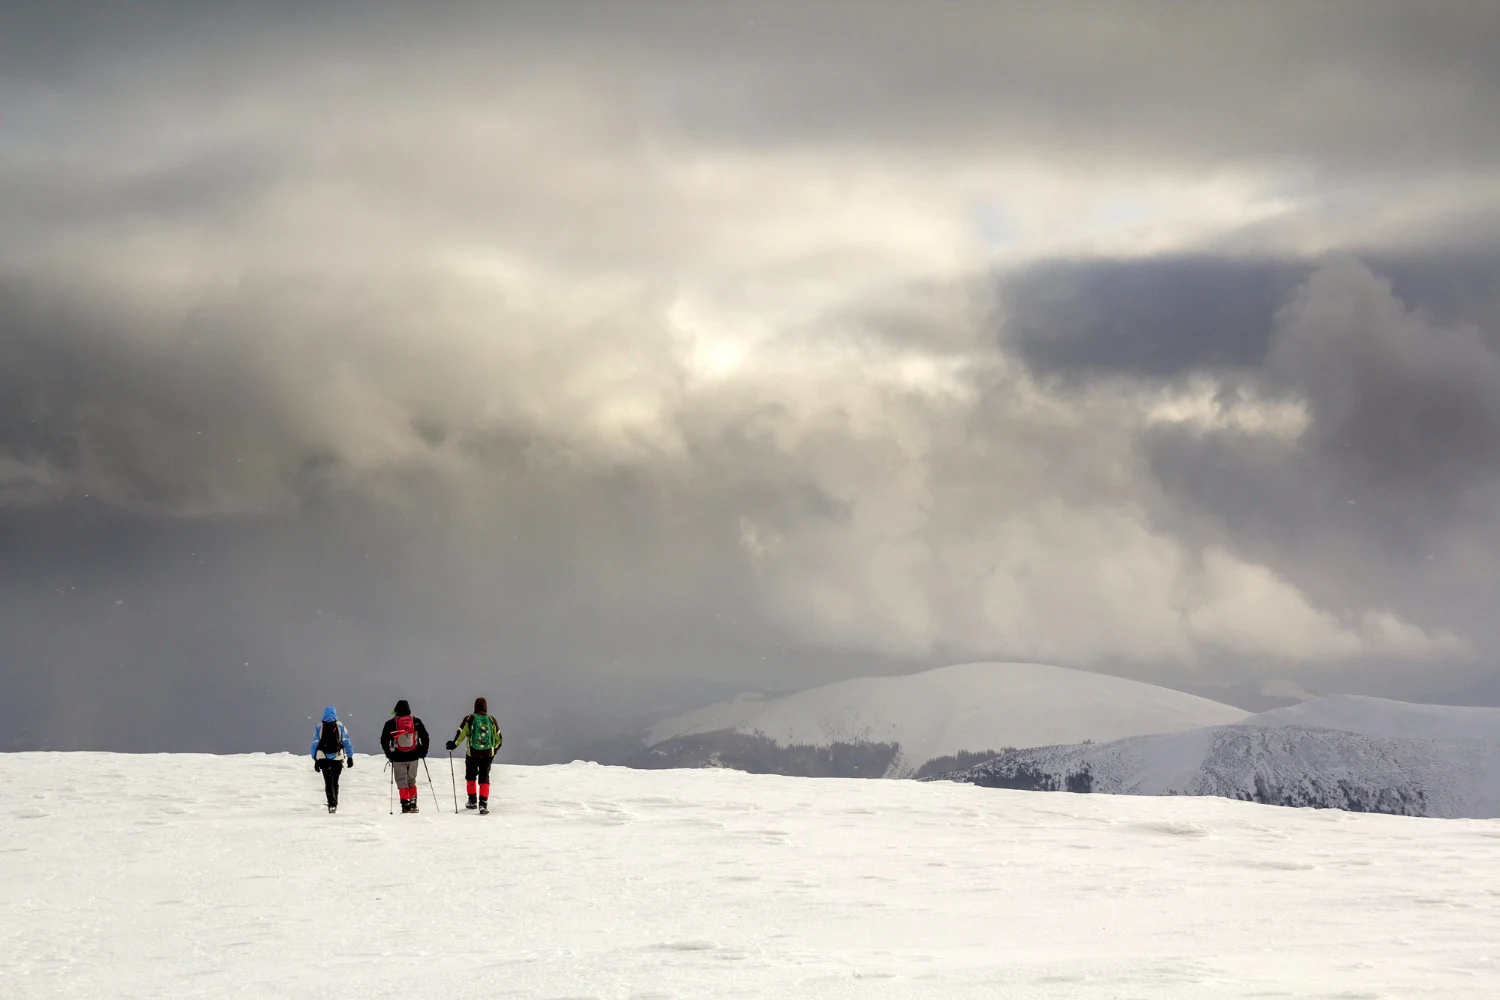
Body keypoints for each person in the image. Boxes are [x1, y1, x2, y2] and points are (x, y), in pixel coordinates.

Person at [446, 696, 503, 814]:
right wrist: (493, 751)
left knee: (471, 776)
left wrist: (453, 745)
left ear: (475, 706)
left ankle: (472, 801)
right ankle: (483, 804)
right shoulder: (491, 719)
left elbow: (461, 733)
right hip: (488, 754)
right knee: (484, 777)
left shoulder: (470, 718)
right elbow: (499, 739)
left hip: (472, 753)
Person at [380, 699, 429, 813]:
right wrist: (423, 751)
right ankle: (413, 802)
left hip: (398, 757)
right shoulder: (416, 722)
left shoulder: (391, 723)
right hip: (413, 756)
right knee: (411, 780)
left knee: (401, 781)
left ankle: (405, 803)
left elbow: (384, 740)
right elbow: (425, 737)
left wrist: (389, 754)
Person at [310, 705, 354, 813]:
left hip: (323, 758)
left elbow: (315, 743)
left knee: (328, 781)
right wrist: (350, 756)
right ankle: (335, 803)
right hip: (337, 757)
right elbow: (346, 741)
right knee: (335, 781)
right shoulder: (340, 725)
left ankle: (331, 803)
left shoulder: (319, 725)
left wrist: (315, 759)